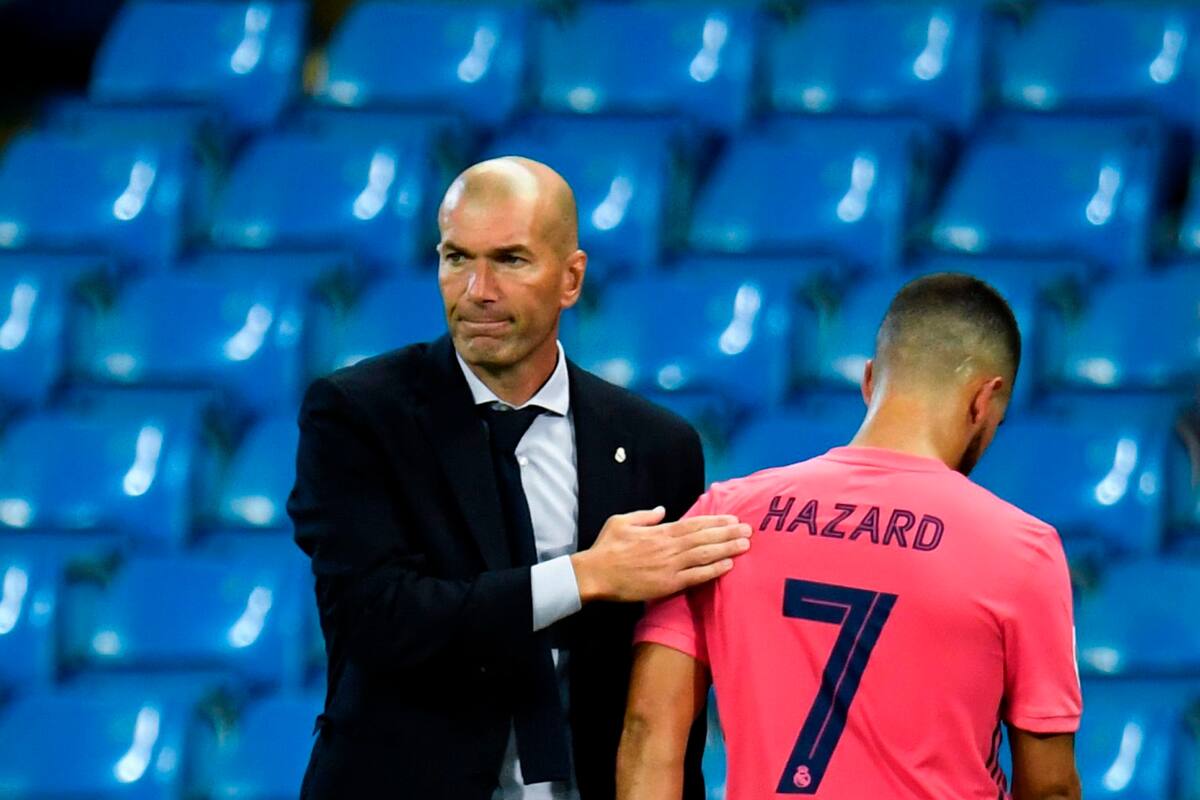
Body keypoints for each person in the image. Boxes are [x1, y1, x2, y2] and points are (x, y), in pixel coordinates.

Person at [288, 156, 753, 800]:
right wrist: (586, 576)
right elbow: (379, 619)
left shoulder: (657, 445)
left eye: (510, 260)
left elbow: (666, 682)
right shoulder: (361, 414)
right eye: (456, 258)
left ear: (571, 278)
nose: (477, 289)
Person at [617, 274, 1083, 800]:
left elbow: (649, 730)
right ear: (984, 400)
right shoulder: (1022, 549)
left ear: (868, 381)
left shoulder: (723, 517)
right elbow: (1050, 787)